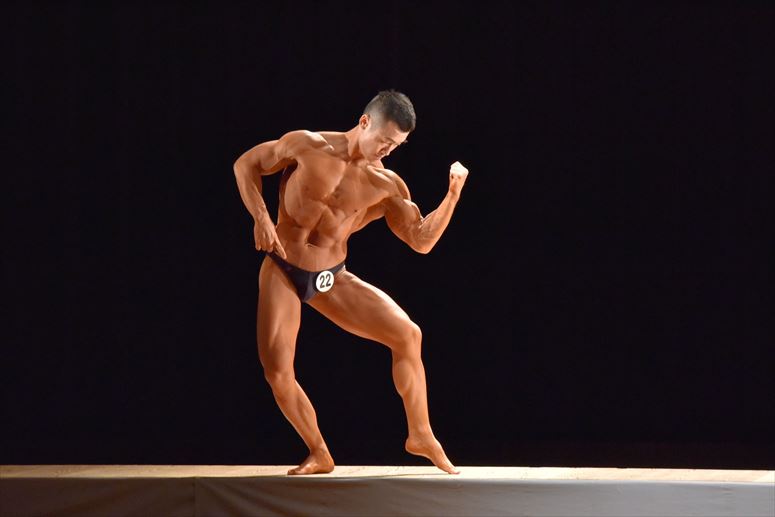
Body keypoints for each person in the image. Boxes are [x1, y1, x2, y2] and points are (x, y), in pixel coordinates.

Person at [233, 90, 468, 475]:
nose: (388, 150)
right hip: (282, 266)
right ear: (364, 122)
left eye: (397, 145)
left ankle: (420, 434)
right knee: (277, 371)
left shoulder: (387, 184)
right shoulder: (307, 145)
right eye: (385, 140)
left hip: (330, 277)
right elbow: (246, 164)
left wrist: (452, 195)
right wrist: (260, 218)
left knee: (408, 335)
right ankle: (319, 452)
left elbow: (421, 241)